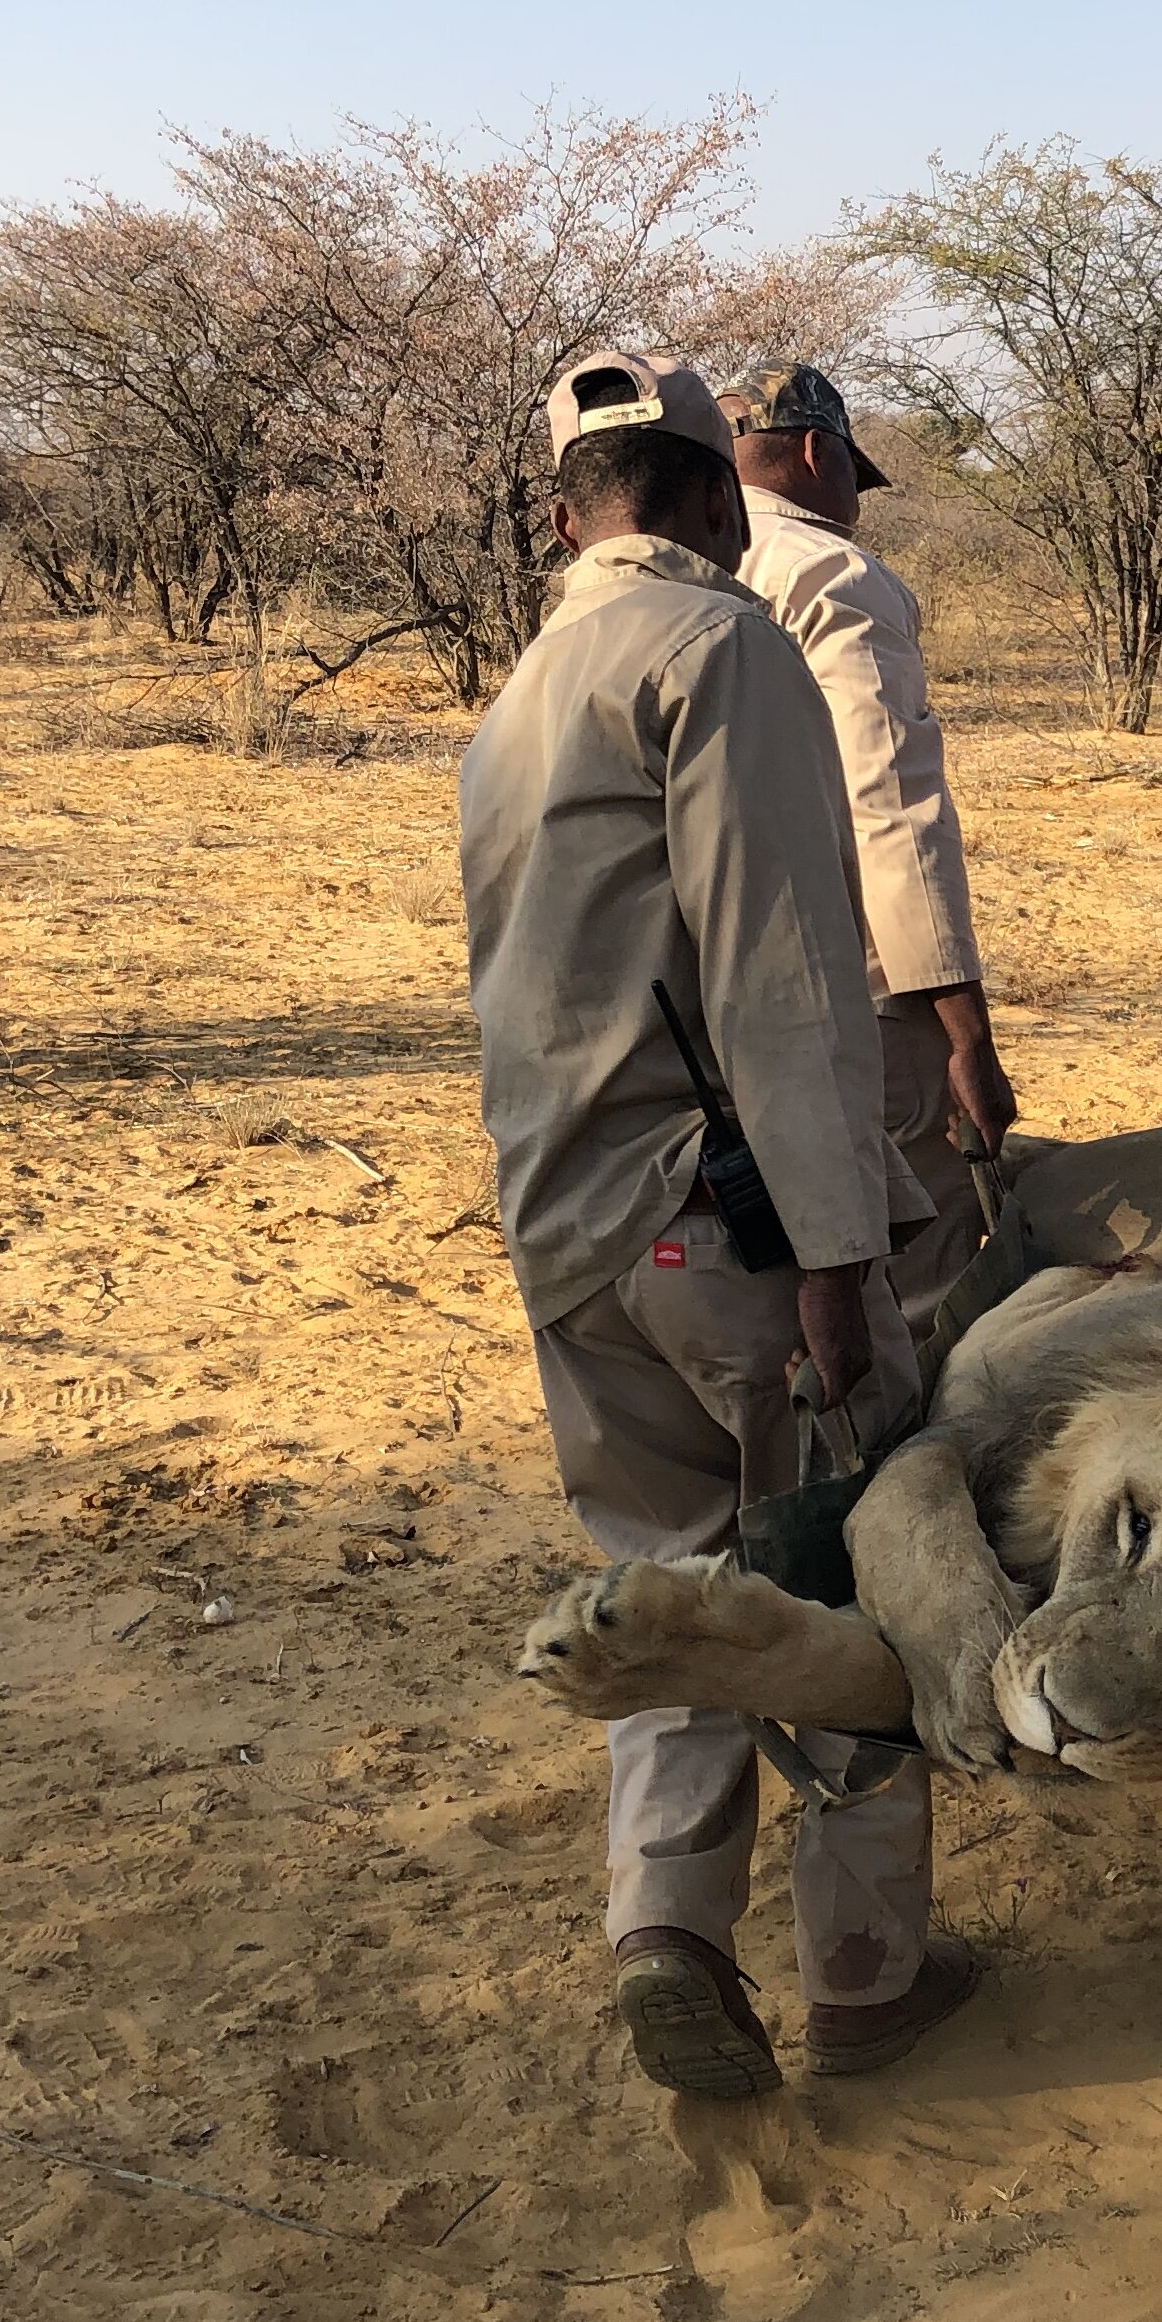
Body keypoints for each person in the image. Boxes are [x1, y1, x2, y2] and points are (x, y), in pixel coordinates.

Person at [460, 347, 977, 2101]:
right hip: (725, 1226)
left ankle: (668, 1923)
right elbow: (780, 973)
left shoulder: (522, 689)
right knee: (832, 1575)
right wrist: (843, 1256)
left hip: (567, 1222)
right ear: (707, 492)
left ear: (559, 508)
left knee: (667, 1587)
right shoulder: (724, 647)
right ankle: (864, 1975)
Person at [722, 361, 1017, 1340]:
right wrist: (965, 1031)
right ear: (816, 453)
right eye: (856, 473)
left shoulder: (688, 567)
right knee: (907, 1267)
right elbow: (889, 800)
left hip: (714, 991)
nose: (857, 504)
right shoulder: (831, 575)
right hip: (855, 990)